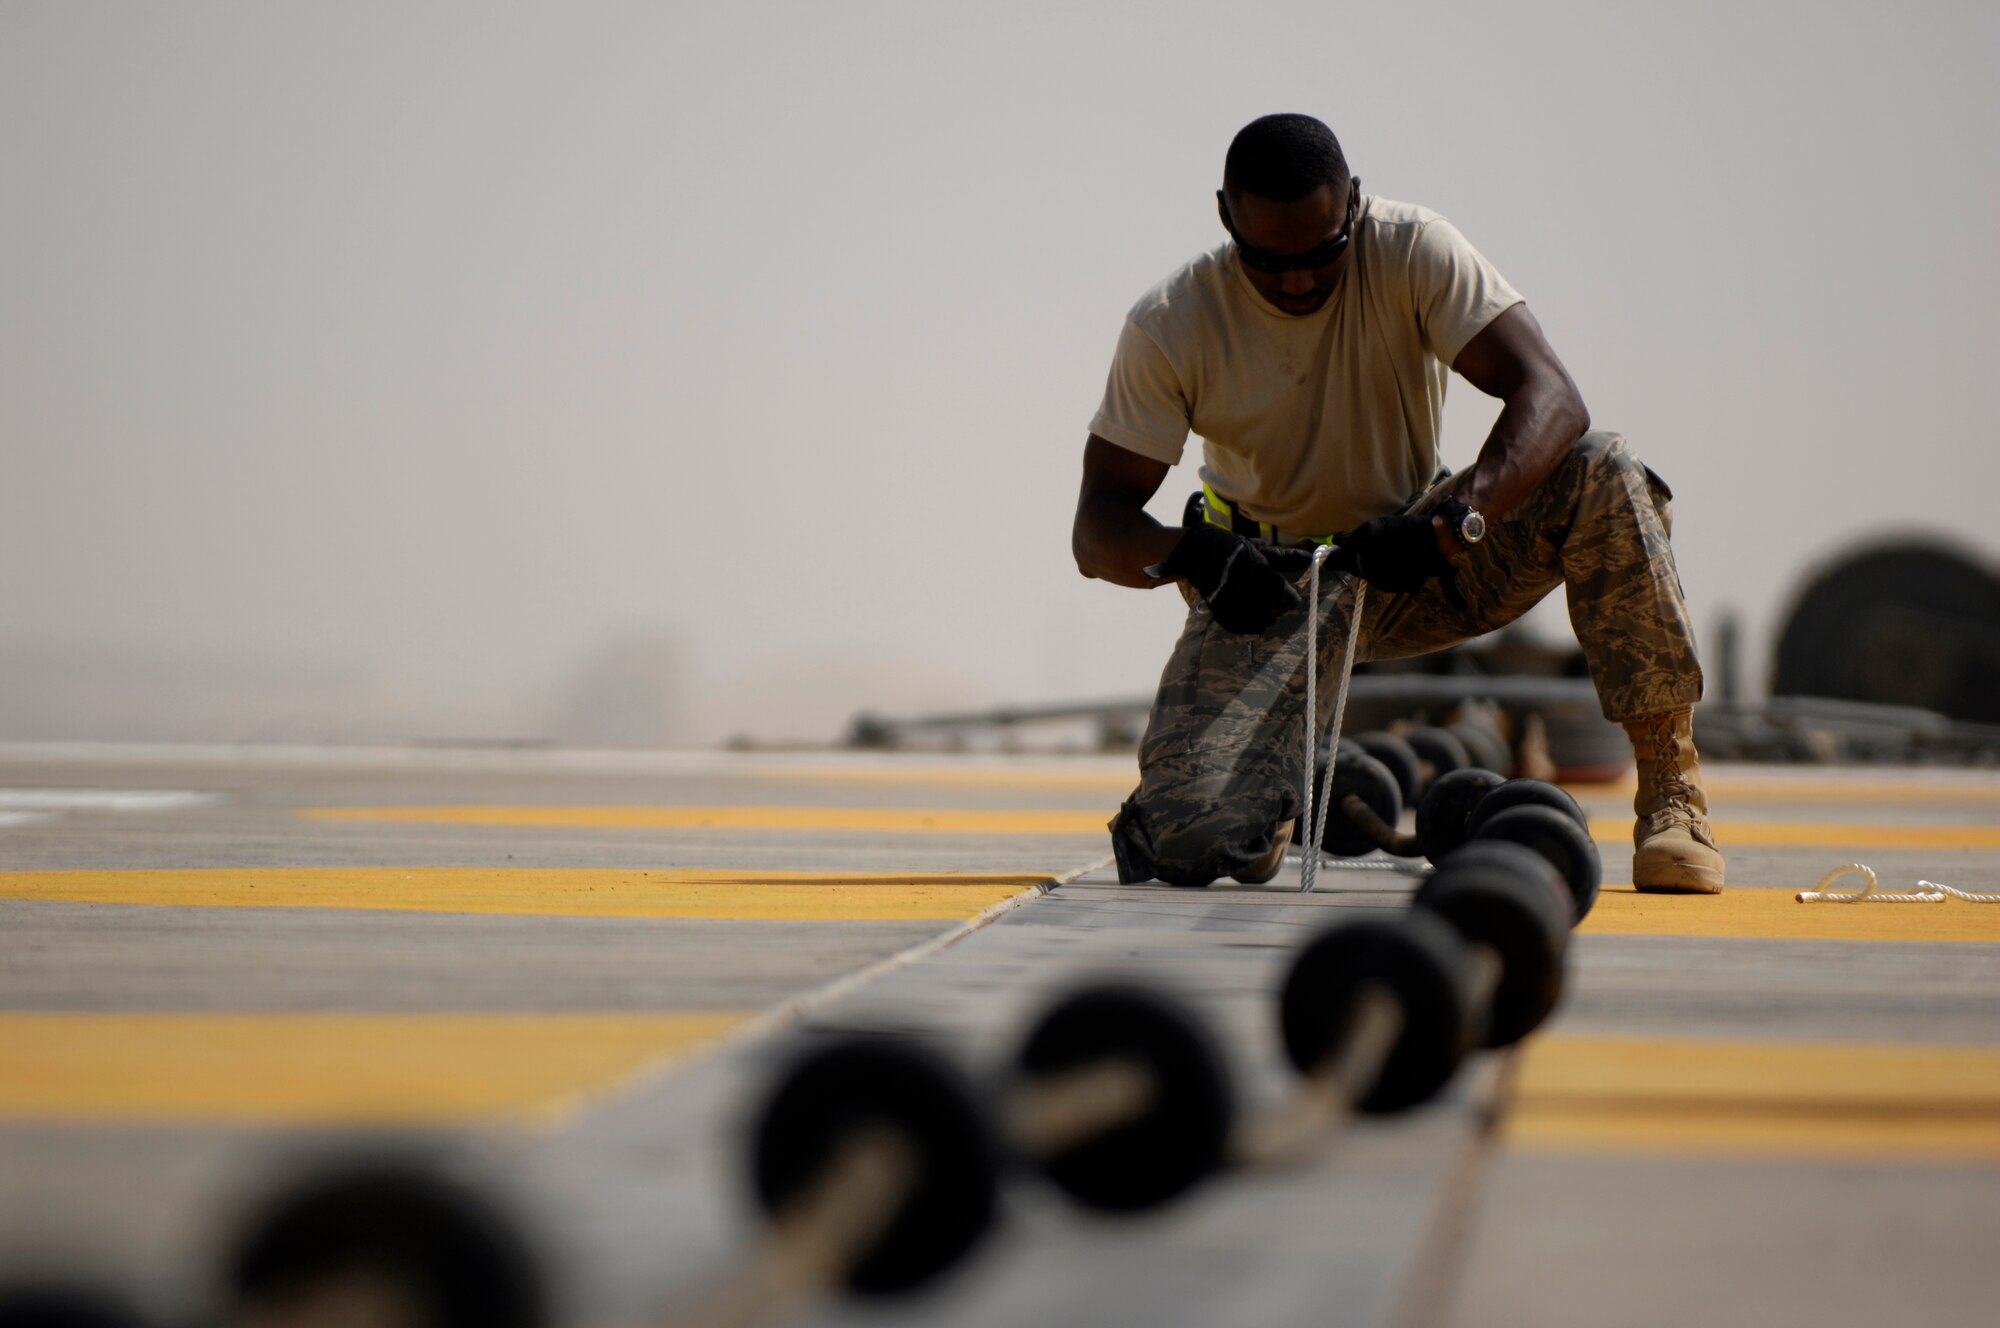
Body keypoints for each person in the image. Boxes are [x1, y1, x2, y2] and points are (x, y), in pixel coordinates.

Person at [1071, 113, 1723, 894]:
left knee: (1605, 469)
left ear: (1353, 204)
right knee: (1187, 843)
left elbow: (1551, 396)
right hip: (1268, 590)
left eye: (1322, 254)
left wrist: (1459, 517)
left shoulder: (1416, 251)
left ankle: (1672, 797)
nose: (1299, 281)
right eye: (1269, 262)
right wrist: (1193, 556)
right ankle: (1272, 795)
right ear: (1225, 218)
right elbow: (1097, 529)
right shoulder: (1173, 322)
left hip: (1418, 558)